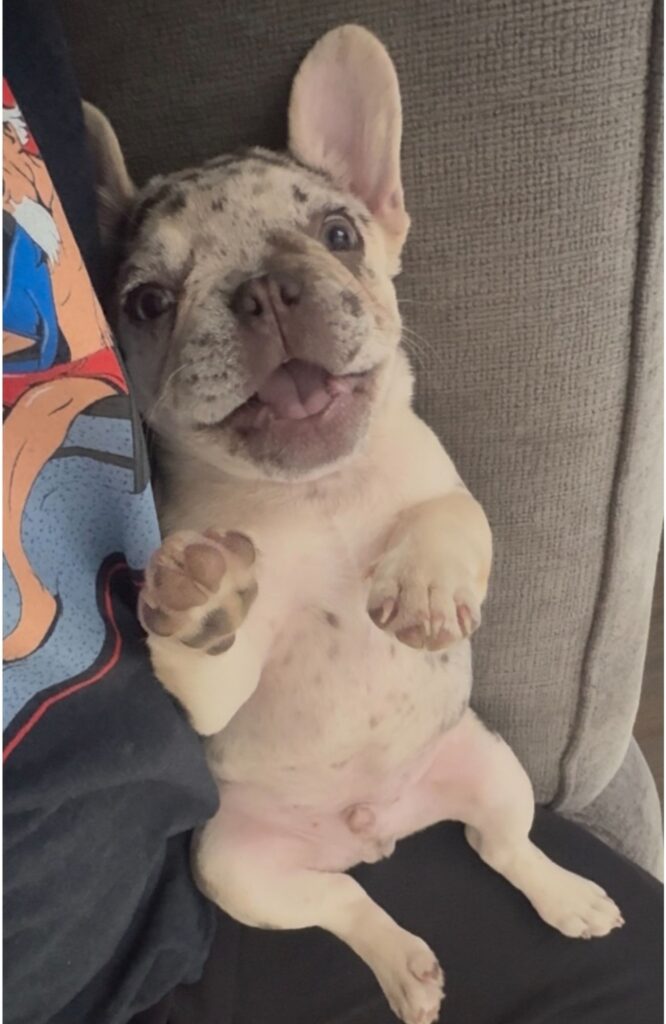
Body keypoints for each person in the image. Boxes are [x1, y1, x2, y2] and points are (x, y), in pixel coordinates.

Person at [3, 4, 662, 1023]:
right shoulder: (198, 529)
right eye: (152, 300)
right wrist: (205, 624)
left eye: (334, 233)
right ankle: (359, 918)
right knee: (235, 866)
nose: (264, 304)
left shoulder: (405, 448)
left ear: (385, 210)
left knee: (506, 800)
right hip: (263, 822)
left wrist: (444, 548)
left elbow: (452, 515)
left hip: (436, 755)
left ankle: (517, 857)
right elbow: (211, 705)